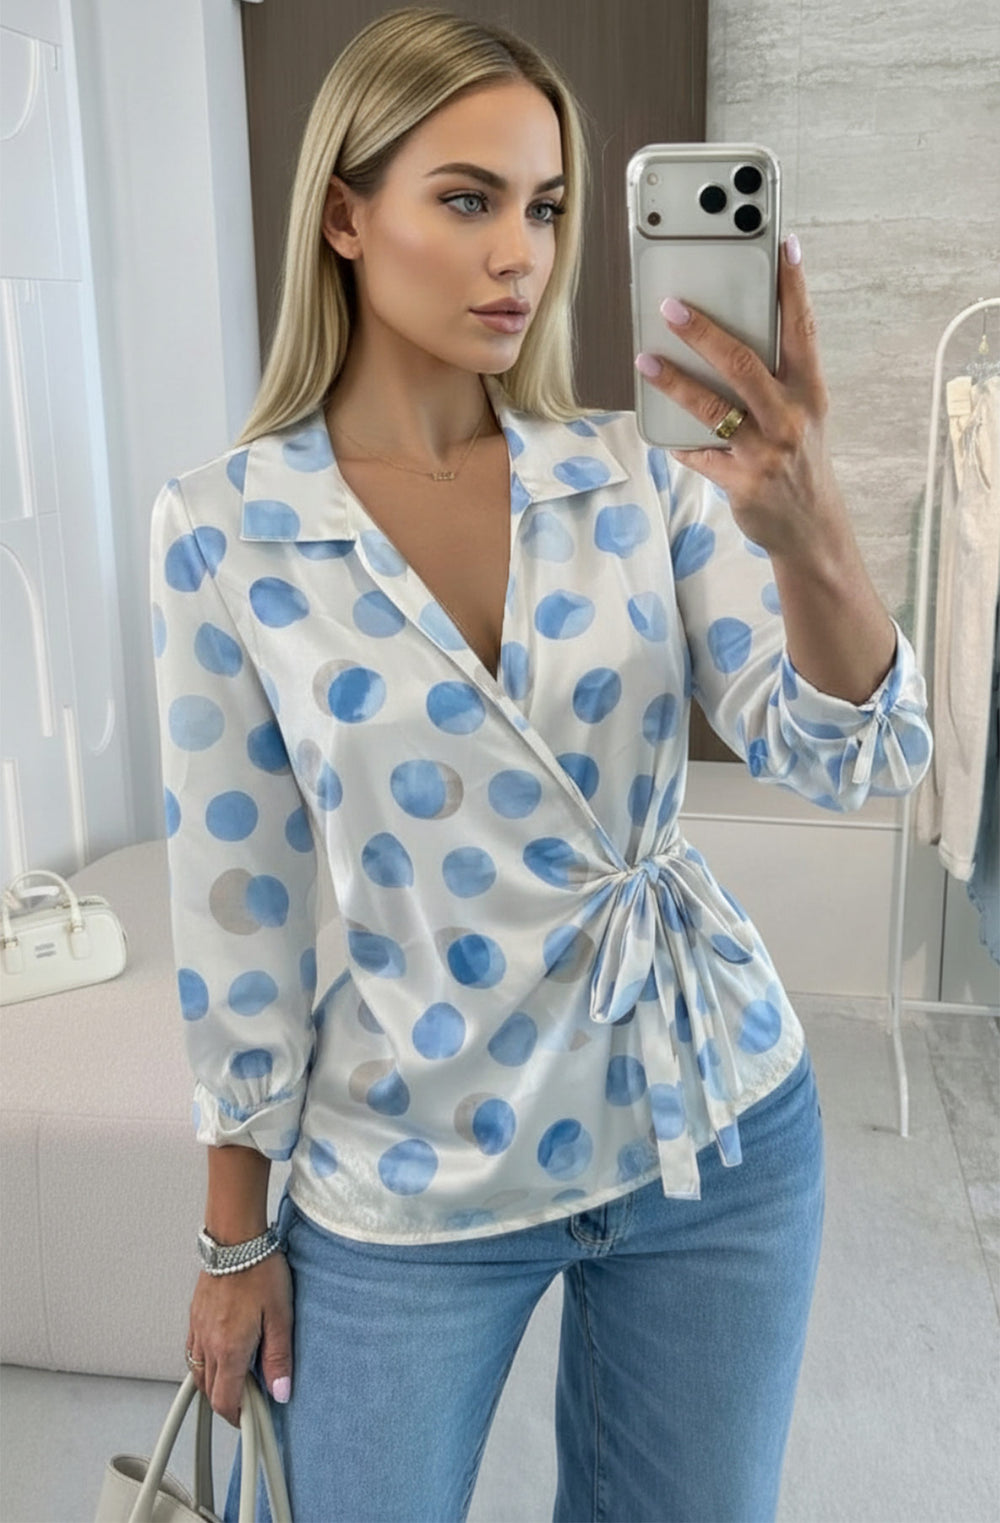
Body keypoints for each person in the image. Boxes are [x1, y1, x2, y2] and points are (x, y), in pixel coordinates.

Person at [148, 7, 932, 1520]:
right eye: (469, 199)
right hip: (413, 1165)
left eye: (549, 206)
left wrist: (811, 525)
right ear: (345, 216)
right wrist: (234, 1238)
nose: (522, 253)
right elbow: (240, 906)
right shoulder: (229, 529)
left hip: (711, 1120)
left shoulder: (640, 476)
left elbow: (854, 754)